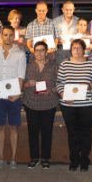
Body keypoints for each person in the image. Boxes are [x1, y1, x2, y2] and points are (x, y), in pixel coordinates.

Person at [0, 26, 26, 170]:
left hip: (14, 95)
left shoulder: (20, 53)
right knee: (0, 127)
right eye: (5, 35)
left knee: (14, 127)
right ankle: (1, 158)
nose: (8, 37)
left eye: (11, 35)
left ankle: (13, 159)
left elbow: (21, 76)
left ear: (13, 37)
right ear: (1, 36)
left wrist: (17, 93)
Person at [56, 39, 92, 172]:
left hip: (87, 104)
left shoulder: (91, 64)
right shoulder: (65, 64)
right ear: (71, 50)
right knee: (72, 133)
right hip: (68, 105)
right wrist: (64, 96)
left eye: (79, 48)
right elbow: (59, 83)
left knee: (86, 132)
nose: (76, 50)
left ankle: (84, 160)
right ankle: (74, 160)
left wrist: (88, 85)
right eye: (74, 48)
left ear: (84, 50)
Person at [23, 41, 59, 169]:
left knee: (46, 131)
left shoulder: (54, 66)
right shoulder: (28, 66)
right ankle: (34, 158)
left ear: (46, 52)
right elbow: (21, 83)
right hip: (31, 103)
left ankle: (45, 158)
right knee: (32, 131)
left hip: (49, 103)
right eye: (37, 50)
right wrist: (26, 84)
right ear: (33, 52)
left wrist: (50, 91)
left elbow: (60, 84)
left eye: (42, 50)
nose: (39, 53)